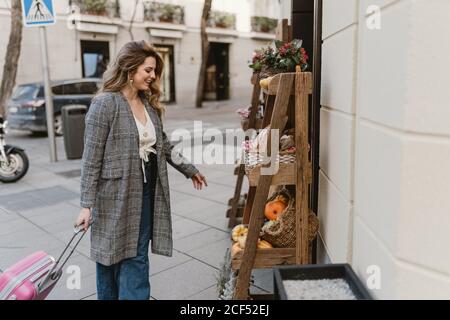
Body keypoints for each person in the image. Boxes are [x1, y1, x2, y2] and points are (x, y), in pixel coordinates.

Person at [75, 40, 207, 300]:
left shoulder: (148, 104)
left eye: (155, 70)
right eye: (148, 70)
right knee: (109, 258)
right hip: (113, 194)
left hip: (146, 190)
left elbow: (164, 144)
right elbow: (91, 158)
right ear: (129, 67)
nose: (153, 75)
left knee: (136, 255)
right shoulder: (105, 104)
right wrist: (86, 204)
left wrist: (189, 169)